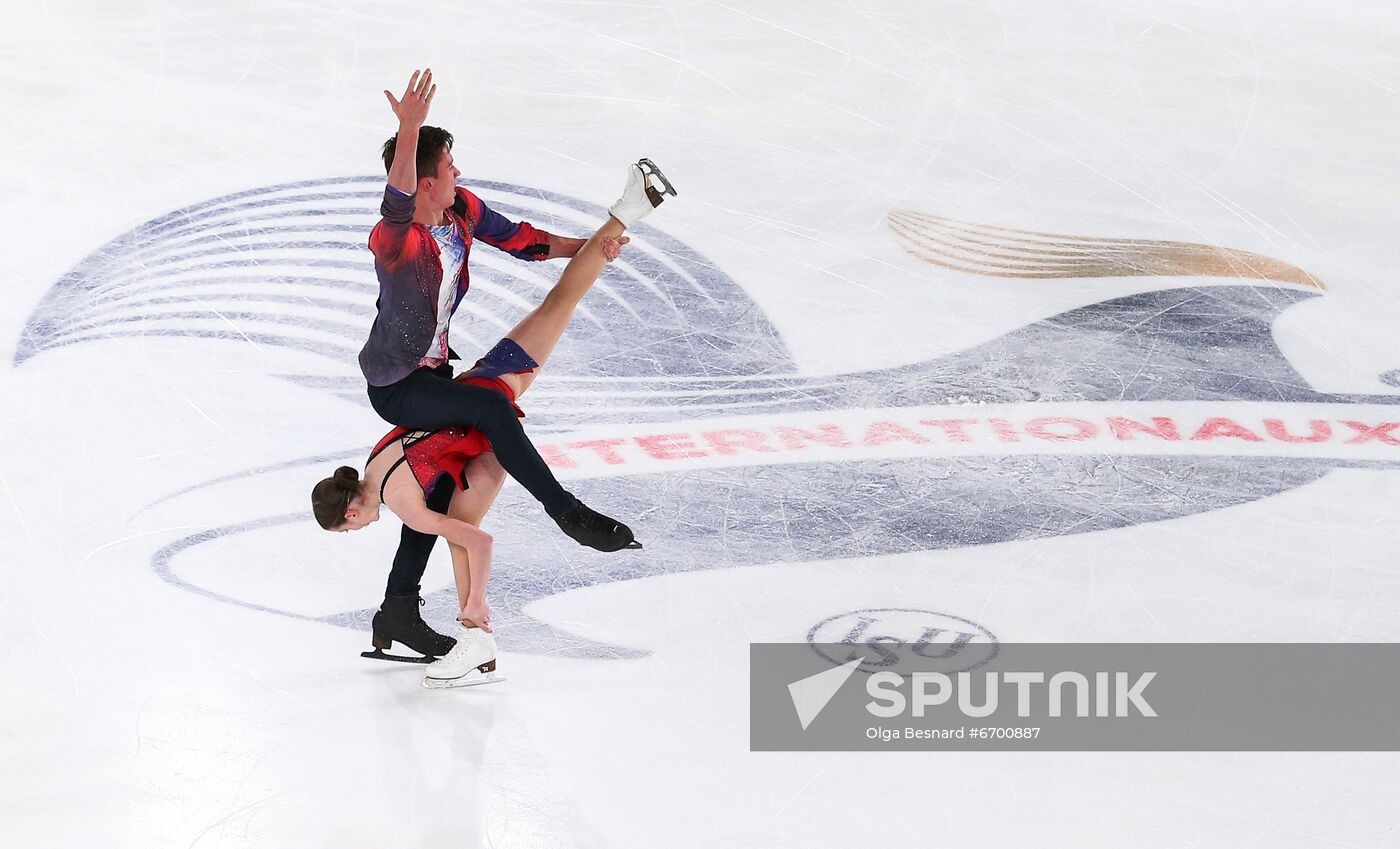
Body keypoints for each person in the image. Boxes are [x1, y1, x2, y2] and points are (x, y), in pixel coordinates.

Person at [313, 159, 676, 686]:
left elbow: (473, 539)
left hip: (480, 437)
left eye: (348, 530)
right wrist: (596, 243)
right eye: (451, 166)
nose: (459, 172)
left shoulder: (406, 507)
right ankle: (628, 212)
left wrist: (478, 600)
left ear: (350, 512)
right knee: (562, 302)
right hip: (473, 384)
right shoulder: (377, 458)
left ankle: (476, 633)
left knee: (464, 534)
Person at [363, 69, 641, 554]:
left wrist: (593, 246)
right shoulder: (395, 242)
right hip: (397, 387)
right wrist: (409, 129)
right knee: (492, 408)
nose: (459, 173)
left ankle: (399, 605)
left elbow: (525, 241)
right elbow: (397, 202)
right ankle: (567, 513)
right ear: (426, 182)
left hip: (435, 375)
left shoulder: (463, 211)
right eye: (450, 167)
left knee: (443, 485)